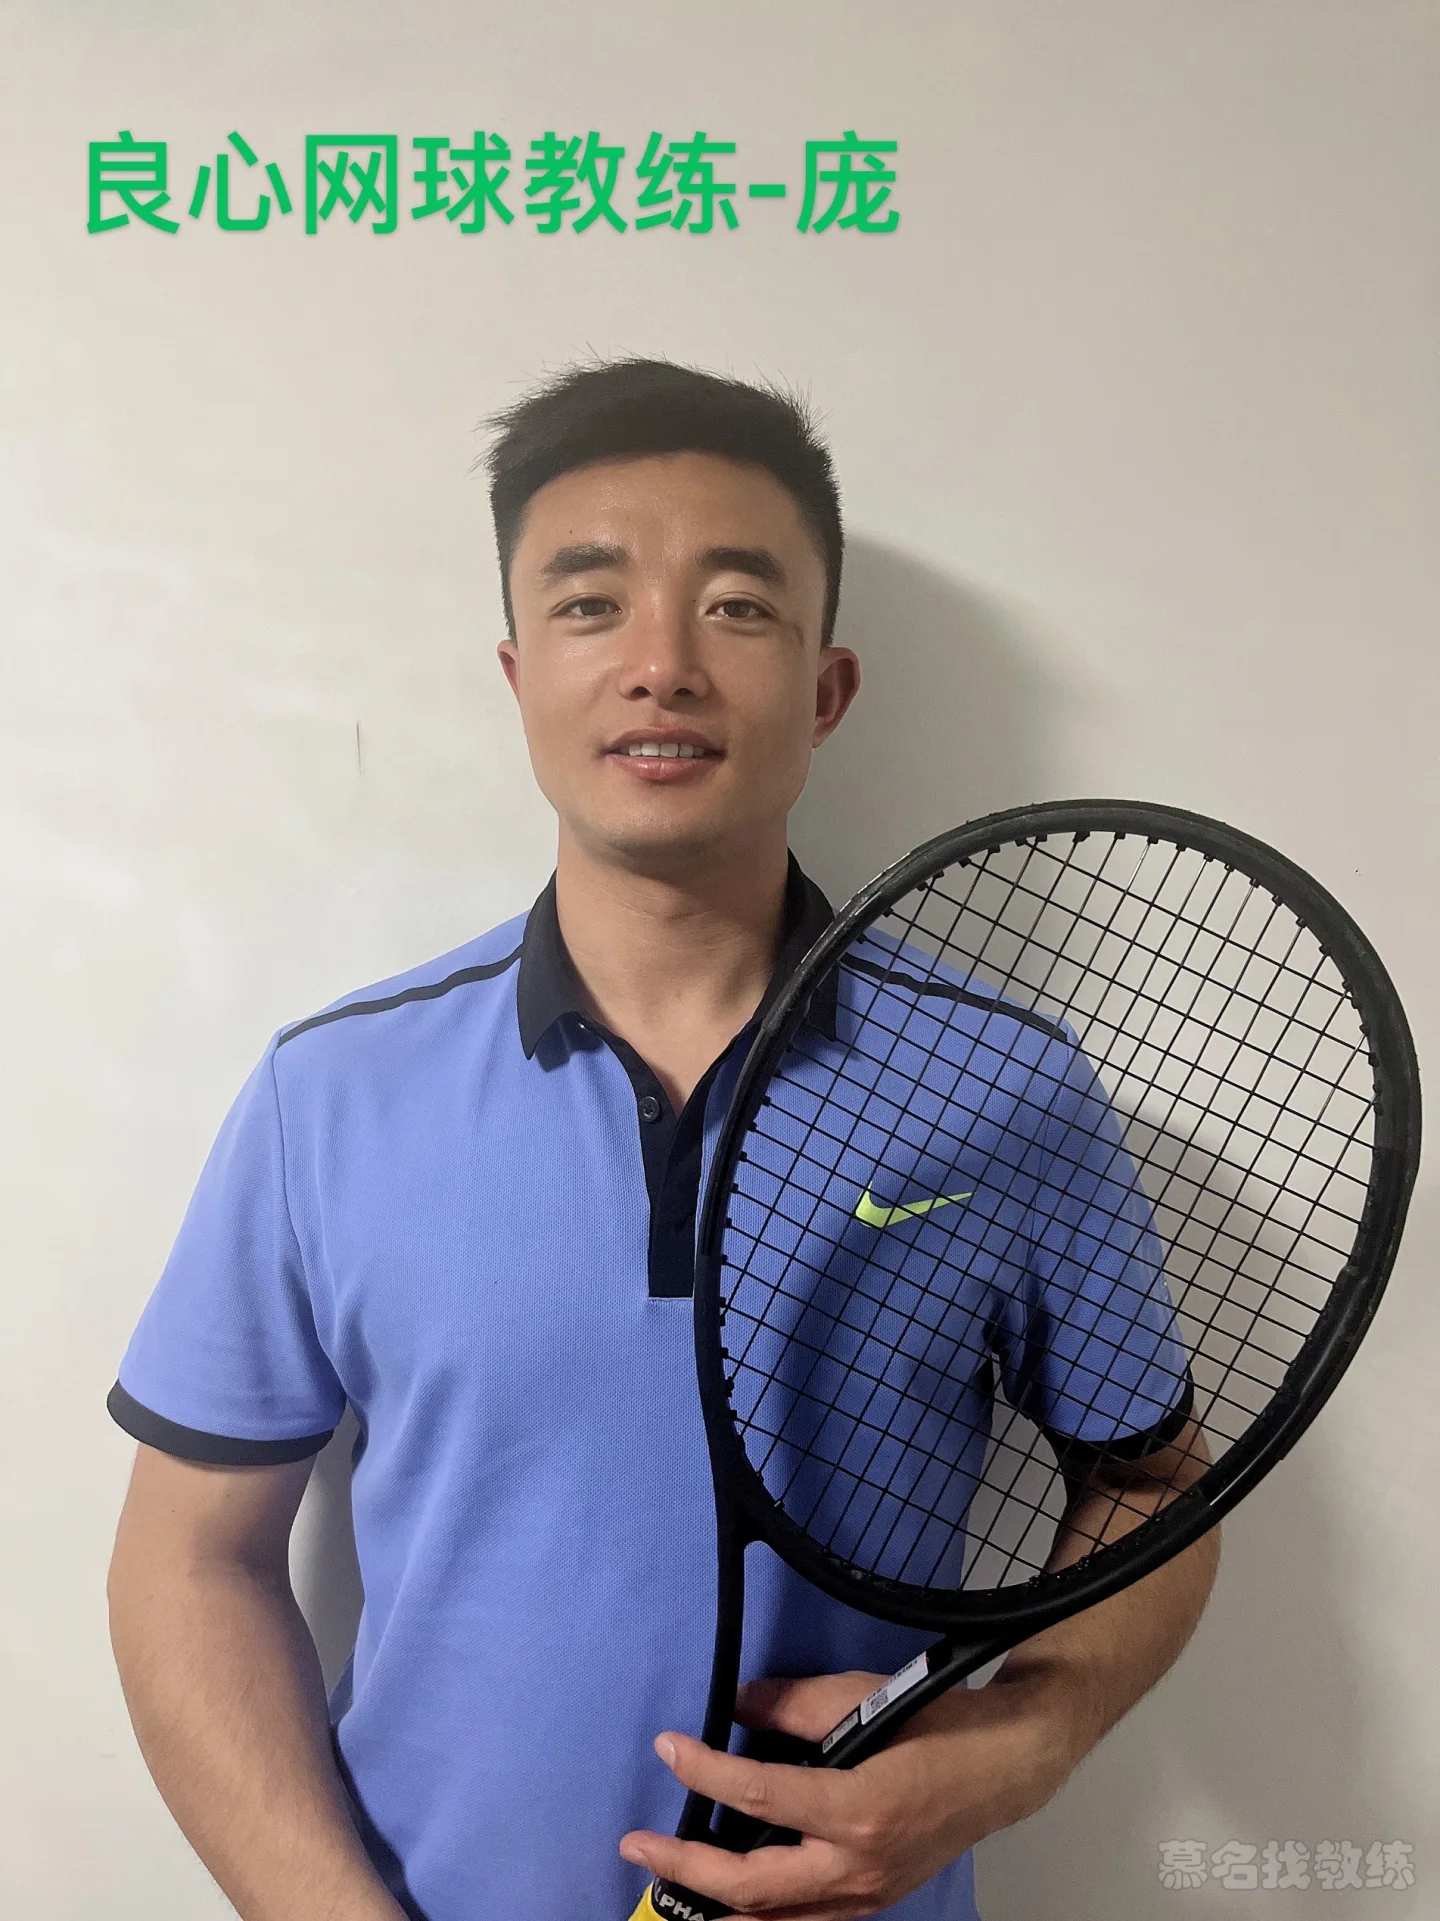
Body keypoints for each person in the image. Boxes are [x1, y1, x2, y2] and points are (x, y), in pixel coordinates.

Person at [106, 357, 1219, 1921]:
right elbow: (190, 1561)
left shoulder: (1002, 1085)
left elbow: (1151, 1483)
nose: (662, 667)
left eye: (737, 606)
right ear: (517, 677)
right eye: (591, 604)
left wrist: (1015, 1746)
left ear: (826, 690)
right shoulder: (329, 1097)